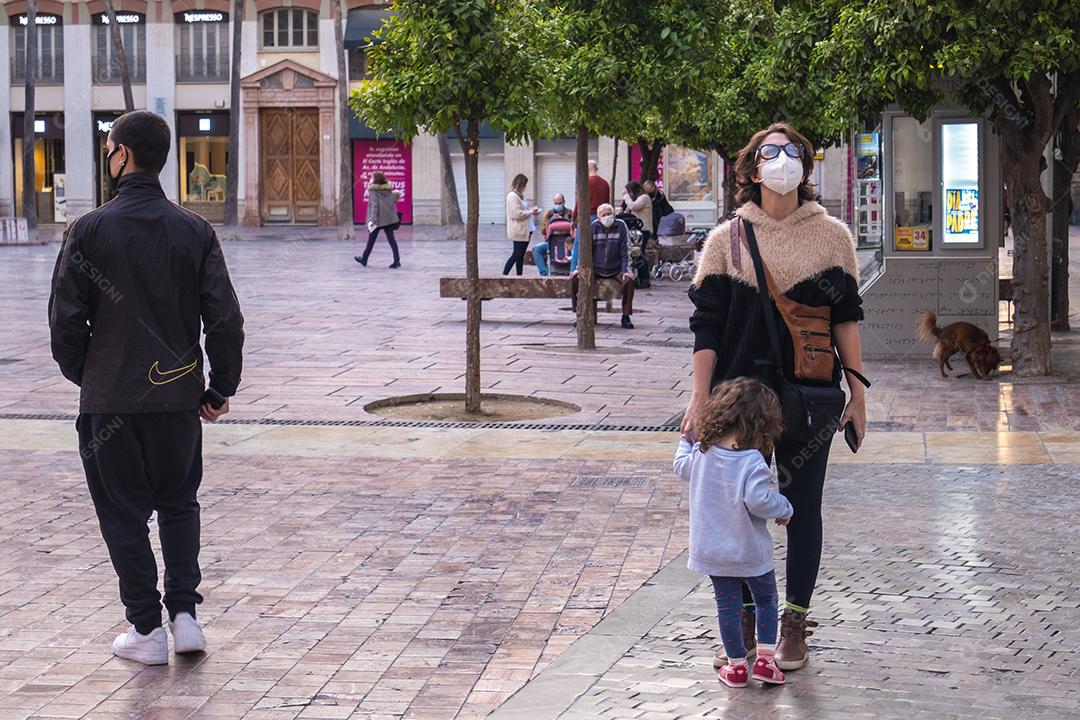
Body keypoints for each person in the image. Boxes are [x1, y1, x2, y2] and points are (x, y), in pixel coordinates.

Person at [48, 110, 244, 665]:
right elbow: (224, 318)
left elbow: (65, 321)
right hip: (177, 398)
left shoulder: (88, 231)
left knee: (123, 515)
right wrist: (218, 386)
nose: (108, 155)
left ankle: (144, 629)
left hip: (110, 400)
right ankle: (185, 617)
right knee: (179, 504)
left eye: (110, 147)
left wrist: (91, 375)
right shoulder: (194, 230)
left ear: (123, 155)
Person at [682, 122, 867, 671]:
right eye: (770, 151)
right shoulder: (726, 239)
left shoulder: (832, 236)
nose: (781, 159)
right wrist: (698, 398)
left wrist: (857, 396)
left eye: (792, 152)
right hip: (736, 400)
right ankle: (741, 624)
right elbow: (706, 326)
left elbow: (846, 321)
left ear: (806, 167)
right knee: (734, 509)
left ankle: (793, 623)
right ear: (751, 167)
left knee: (803, 507)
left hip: (809, 396)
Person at [674, 377, 793, 688]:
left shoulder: (703, 453)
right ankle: (766, 662)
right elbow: (757, 501)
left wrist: (686, 439)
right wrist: (784, 507)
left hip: (713, 551)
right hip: (748, 550)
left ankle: (737, 666)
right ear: (763, 424)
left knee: (727, 606)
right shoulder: (752, 461)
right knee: (765, 599)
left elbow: (680, 467)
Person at [569, 203, 635, 329]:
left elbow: (626, 250)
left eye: (609, 214)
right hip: (596, 269)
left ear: (614, 214)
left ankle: (626, 316)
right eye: (603, 215)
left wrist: (626, 270)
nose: (607, 217)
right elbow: (586, 251)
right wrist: (579, 269)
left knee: (629, 281)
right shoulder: (593, 227)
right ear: (598, 218)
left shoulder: (621, 226)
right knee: (575, 280)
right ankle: (580, 314)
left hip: (616, 269)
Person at [355, 171, 402, 269]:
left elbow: (374, 206)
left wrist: (372, 220)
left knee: (371, 240)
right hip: (388, 218)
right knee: (391, 240)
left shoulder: (373, 190)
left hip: (378, 219)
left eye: (372, 177)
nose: (370, 179)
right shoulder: (388, 188)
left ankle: (364, 259)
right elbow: (393, 200)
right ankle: (396, 260)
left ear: (375, 179)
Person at [504, 173, 540, 276]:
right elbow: (516, 213)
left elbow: (524, 210)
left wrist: (532, 211)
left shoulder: (521, 196)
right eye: (524, 185)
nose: (525, 187)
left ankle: (519, 275)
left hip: (527, 229)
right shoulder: (512, 196)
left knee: (520, 255)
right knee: (516, 254)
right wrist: (531, 212)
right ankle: (504, 274)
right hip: (519, 230)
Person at [533, 193, 573, 276]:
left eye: (560, 203)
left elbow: (575, 228)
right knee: (536, 249)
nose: (558, 205)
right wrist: (551, 220)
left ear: (564, 202)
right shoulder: (549, 214)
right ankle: (544, 273)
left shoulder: (570, 213)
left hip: (567, 242)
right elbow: (543, 231)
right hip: (551, 242)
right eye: (556, 203)